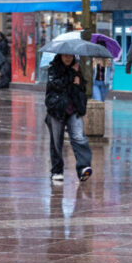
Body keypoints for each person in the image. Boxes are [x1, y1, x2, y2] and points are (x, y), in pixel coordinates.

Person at [44, 54, 92, 183]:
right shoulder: (53, 69)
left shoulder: (77, 69)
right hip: (57, 109)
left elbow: (82, 88)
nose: (67, 58)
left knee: (79, 137)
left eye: (70, 56)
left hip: (73, 109)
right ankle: (57, 170)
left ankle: (83, 168)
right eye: (65, 56)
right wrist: (72, 76)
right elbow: (56, 84)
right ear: (60, 55)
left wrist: (79, 80)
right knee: (56, 141)